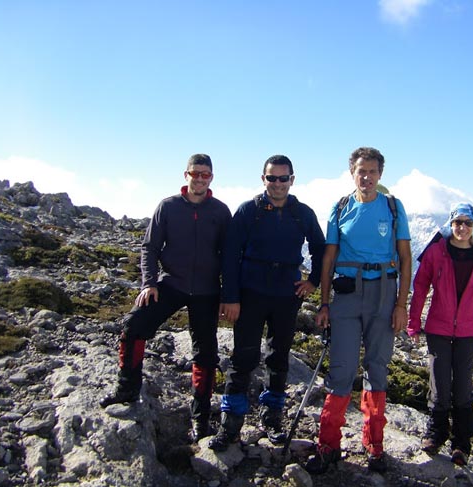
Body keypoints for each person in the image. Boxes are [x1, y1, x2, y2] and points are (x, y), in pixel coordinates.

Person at [99, 154, 232, 441]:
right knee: (134, 326)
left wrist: (229, 294)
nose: (200, 179)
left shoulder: (220, 211)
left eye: (205, 174)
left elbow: (229, 255)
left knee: (206, 353)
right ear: (186, 175)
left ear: (211, 177)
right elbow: (150, 247)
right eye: (195, 173)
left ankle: (201, 417)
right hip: (172, 283)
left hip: (208, 290)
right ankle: (127, 389)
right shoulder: (168, 206)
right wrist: (149, 283)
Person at [305, 147, 412, 474]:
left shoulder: (393, 207)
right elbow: (328, 258)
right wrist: (324, 303)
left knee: (377, 368)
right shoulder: (340, 208)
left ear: (380, 174)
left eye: (372, 171)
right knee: (342, 369)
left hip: (384, 294)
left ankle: (374, 444)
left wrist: (401, 305)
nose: (366, 177)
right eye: (361, 171)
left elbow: (405, 257)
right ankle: (328, 445)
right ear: (352, 173)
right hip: (348, 295)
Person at [208, 155, 325, 451]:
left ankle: (272, 417)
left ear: (292, 180)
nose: (277, 184)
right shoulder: (249, 210)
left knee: (278, 357)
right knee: (243, 357)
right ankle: (230, 423)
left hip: (286, 294)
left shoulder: (303, 213)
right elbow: (230, 255)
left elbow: (320, 248)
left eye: (283, 178)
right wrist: (230, 297)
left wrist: (313, 281)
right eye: (272, 178)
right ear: (263, 179)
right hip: (251, 292)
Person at [407, 202, 473, 466]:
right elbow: (420, 287)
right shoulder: (436, 251)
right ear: (451, 224)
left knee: (462, 388)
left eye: (468, 223)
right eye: (458, 222)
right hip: (438, 328)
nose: (462, 227)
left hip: (468, 331)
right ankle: (436, 434)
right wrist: (414, 323)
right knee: (439, 384)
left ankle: (461, 443)